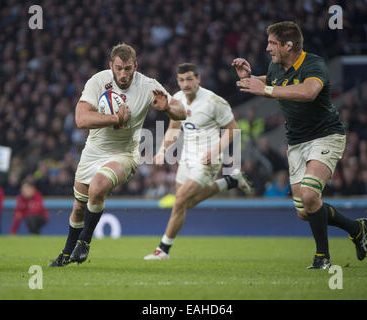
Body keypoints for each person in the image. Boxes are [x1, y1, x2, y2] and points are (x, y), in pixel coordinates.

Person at [232, 21, 367, 269]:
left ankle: (322, 258)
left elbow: (308, 91)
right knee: (305, 211)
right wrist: (250, 79)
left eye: (272, 43)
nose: (267, 48)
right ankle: (356, 228)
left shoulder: (314, 64)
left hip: (326, 135)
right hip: (296, 143)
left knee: (309, 193)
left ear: (289, 45)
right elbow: (272, 81)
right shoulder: (276, 68)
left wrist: (265, 89)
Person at [49, 43, 186, 266]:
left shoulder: (147, 85)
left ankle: (84, 242)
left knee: (98, 185)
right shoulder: (97, 81)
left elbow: (181, 112)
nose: (123, 74)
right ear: (111, 65)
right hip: (93, 151)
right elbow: (81, 119)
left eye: (128, 69)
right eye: (119, 68)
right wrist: (116, 119)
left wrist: (167, 107)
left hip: (124, 153)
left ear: (136, 67)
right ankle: (66, 254)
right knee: (78, 207)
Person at [144, 63, 252, 260]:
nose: (186, 84)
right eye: (182, 80)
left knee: (181, 200)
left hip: (208, 158)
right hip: (187, 157)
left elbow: (233, 130)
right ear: (178, 81)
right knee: (185, 202)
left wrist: (216, 150)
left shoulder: (213, 102)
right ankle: (231, 181)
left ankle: (163, 250)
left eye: (190, 79)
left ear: (198, 79)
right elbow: (174, 128)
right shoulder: (176, 99)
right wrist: (162, 151)